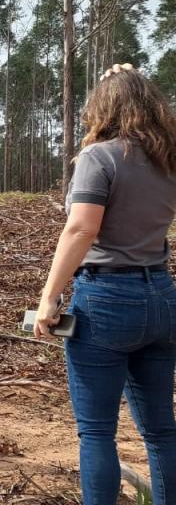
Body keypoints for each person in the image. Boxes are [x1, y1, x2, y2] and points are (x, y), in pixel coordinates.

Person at [33, 63, 176, 505]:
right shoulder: (168, 160)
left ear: (102, 109)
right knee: (161, 429)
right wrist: (132, 76)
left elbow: (81, 229)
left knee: (96, 431)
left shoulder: (100, 157)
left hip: (107, 300)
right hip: (162, 297)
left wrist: (49, 297)